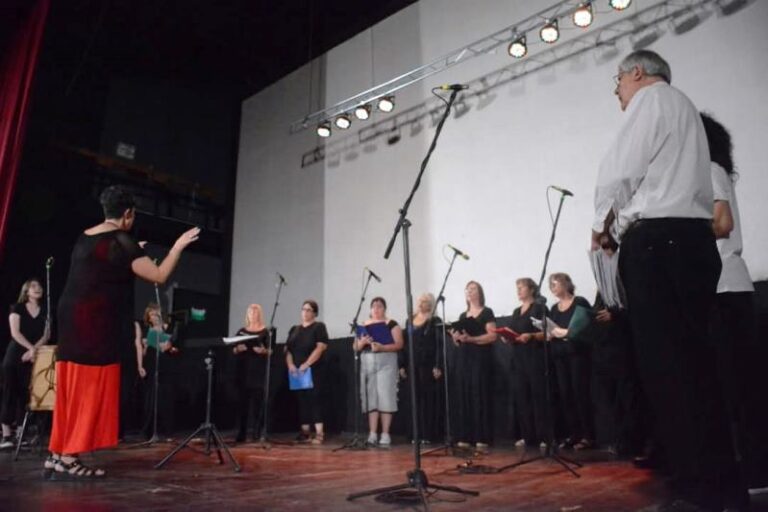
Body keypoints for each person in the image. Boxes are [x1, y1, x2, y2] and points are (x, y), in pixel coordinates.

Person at [592, 50, 744, 509]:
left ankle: (694, 489)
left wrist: (602, 222)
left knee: (667, 374)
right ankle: (721, 485)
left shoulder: (652, 99)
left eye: (617, 80)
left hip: (659, 245)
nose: (617, 91)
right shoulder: (686, 112)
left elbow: (618, 169)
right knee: (697, 370)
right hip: (692, 244)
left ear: (637, 72)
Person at [46, 185, 198, 479]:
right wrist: (177, 246)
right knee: (88, 388)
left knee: (70, 388)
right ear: (128, 214)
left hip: (71, 319)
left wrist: (131, 252)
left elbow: (102, 266)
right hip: (94, 325)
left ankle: (57, 453)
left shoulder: (85, 236)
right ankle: (68, 457)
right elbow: (159, 275)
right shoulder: (121, 241)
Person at [702, 112, 766, 486]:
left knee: (737, 387)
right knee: (737, 385)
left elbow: (721, 225)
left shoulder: (709, 169)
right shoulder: (717, 170)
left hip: (726, 285)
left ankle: (753, 471)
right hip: (729, 286)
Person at [547, 273, 595, 451]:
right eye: (551, 285)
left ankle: (588, 436)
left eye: (556, 283)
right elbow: (554, 330)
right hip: (560, 355)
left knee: (580, 393)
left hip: (577, 354)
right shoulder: (553, 308)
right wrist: (554, 333)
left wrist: (564, 332)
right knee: (566, 395)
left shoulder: (579, 302)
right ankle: (574, 434)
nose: (553, 287)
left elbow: (582, 327)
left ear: (567, 283)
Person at [1, 278, 49, 449]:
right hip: (15, 355)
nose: (38, 289)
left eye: (40, 286)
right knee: (9, 392)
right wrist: (30, 348)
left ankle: (21, 434)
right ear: (26, 291)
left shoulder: (45, 310)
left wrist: (33, 351)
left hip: (32, 356)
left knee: (25, 394)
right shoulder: (17, 308)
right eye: (33, 286)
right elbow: (15, 333)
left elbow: (46, 335)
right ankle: (6, 435)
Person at [450, 281, 497, 453]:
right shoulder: (463, 315)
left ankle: (481, 437)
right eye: (467, 289)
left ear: (480, 292)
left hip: (480, 357)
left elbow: (492, 336)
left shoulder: (487, 312)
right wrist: (456, 338)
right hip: (464, 357)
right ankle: (465, 436)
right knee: (464, 395)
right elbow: (459, 340)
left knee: (479, 395)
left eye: (473, 289)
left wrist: (472, 339)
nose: (470, 291)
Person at [354, 297, 404, 448]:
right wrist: (361, 343)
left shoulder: (391, 323)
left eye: (379, 306)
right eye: (373, 306)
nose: (376, 309)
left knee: (385, 396)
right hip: (368, 362)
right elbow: (355, 347)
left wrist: (382, 347)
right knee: (371, 398)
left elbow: (399, 344)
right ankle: (372, 433)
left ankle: (385, 434)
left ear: (384, 309)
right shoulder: (364, 325)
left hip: (386, 362)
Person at [505, 278, 548, 449]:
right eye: (517, 288)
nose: (519, 290)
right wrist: (507, 336)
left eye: (521, 287)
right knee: (522, 398)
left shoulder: (539, 308)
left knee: (538, 397)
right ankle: (527, 435)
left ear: (531, 289)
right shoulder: (516, 311)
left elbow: (546, 333)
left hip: (534, 357)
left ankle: (544, 436)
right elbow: (513, 331)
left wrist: (530, 336)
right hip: (518, 358)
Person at [398, 293, 443, 444]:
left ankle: (427, 434)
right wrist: (402, 364)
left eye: (425, 301)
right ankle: (414, 434)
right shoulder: (409, 320)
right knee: (413, 399)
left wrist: (438, 365)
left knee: (426, 399)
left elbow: (439, 345)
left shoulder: (435, 321)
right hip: (412, 365)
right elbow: (405, 345)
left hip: (428, 365)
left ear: (431, 304)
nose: (422, 303)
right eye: (420, 300)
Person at [286, 300, 329, 444]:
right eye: (303, 309)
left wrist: (307, 363)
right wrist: (291, 364)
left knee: (314, 399)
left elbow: (320, 347)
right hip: (296, 370)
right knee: (302, 400)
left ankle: (319, 434)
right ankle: (305, 433)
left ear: (315, 313)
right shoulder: (294, 329)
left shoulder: (319, 327)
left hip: (313, 369)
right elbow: (288, 350)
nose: (305, 312)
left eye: (309, 310)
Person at [231, 303, 270, 443]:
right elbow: (233, 349)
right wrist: (237, 349)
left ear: (259, 314)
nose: (253, 315)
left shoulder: (265, 331)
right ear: (247, 315)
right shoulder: (241, 331)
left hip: (258, 371)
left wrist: (263, 351)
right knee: (242, 403)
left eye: (255, 312)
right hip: (243, 370)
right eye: (250, 312)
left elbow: (270, 351)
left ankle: (257, 432)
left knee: (258, 404)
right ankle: (241, 433)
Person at [141, 302, 179, 441]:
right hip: (152, 366)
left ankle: (168, 432)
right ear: (148, 317)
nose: (155, 316)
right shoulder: (146, 331)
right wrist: (145, 346)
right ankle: (150, 432)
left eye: (157, 313)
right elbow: (143, 352)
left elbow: (175, 348)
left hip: (166, 366)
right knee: (151, 399)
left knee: (166, 398)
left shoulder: (168, 328)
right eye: (152, 314)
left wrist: (171, 348)